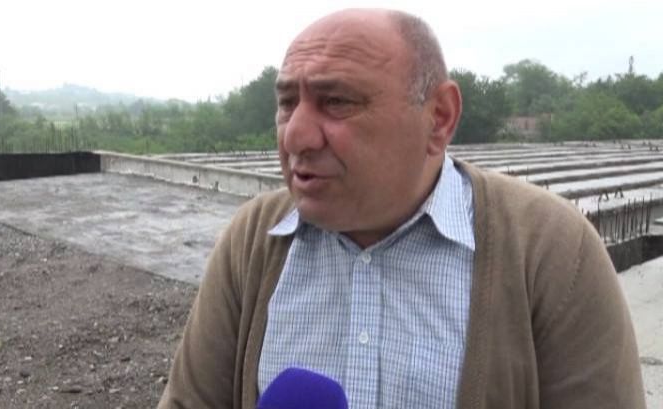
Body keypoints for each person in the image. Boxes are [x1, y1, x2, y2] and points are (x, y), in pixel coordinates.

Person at [158, 8, 645, 409]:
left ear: (439, 118)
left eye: (337, 101)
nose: (296, 137)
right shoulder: (253, 240)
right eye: (288, 102)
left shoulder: (551, 250)